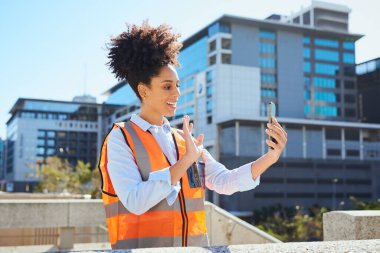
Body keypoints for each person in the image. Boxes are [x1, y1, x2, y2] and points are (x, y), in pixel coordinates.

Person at [98, 21, 287, 250]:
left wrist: (271, 157)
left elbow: (225, 181)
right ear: (144, 90)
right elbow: (135, 201)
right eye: (167, 86)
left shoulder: (182, 140)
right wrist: (186, 161)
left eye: (177, 85)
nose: (177, 93)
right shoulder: (120, 138)